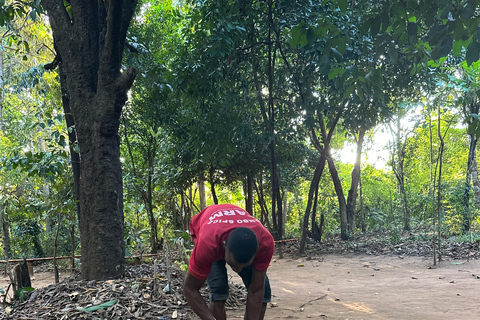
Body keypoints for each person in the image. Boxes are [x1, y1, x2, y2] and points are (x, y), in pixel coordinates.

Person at [183, 203, 275, 320]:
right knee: (219, 290)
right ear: (224, 246)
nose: (237, 270)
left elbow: (256, 290)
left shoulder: (265, 242)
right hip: (209, 231)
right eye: (233, 264)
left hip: (232, 238)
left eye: (244, 265)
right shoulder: (208, 244)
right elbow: (189, 288)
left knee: (263, 292)